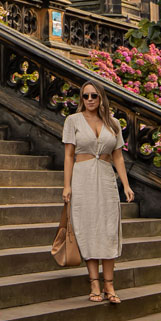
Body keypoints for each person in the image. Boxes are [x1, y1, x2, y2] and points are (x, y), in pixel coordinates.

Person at [62, 82, 133, 303]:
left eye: (94, 95)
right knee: (88, 229)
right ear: (81, 98)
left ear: (101, 97)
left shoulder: (113, 123)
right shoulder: (72, 121)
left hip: (105, 176)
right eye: (85, 96)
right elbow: (68, 155)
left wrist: (126, 184)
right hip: (82, 177)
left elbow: (118, 156)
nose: (90, 99)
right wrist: (67, 185)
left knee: (108, 230)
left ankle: (110, 286)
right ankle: (94, 283)